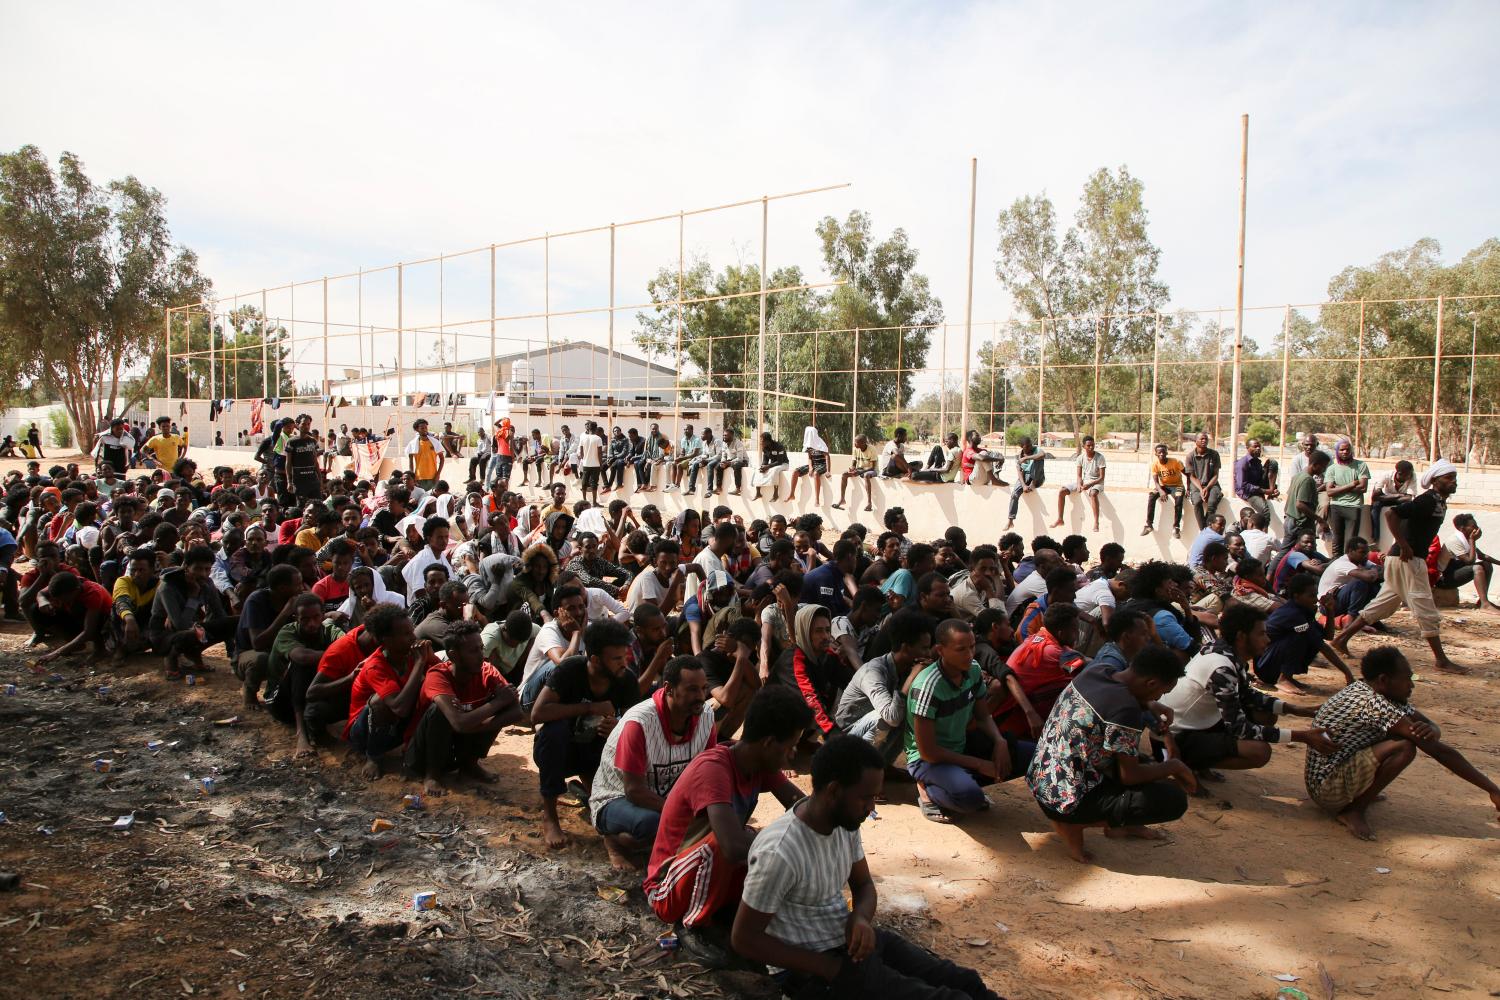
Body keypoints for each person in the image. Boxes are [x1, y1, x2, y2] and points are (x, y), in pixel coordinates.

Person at [732, 735, 1001, 1000]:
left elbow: (863, 885)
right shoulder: (779, 852)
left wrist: (860, 918)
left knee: (966, 982)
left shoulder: (843, 820)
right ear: (834, 791)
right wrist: (829, 969)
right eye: (865, 798)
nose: (871, 808)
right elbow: (744, 938)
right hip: (810, 970)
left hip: (848, 944)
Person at [643, 686, 810, 964]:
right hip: (667, 888)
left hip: (707, 876)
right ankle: (693, 925)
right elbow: (731, 847)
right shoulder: (714, 768)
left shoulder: (756, 763)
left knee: (762, 839)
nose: (792, 754)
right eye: (790, 746)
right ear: (768, 743)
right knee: (736, 841)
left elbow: (801, 808)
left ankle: (722, 913)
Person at [1305, 645, 1500, 841]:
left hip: (1332, 775)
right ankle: (1354, 810)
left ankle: (1359, 796)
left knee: (1403, 736)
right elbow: (1438, 751)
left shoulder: (1375, 691)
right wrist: (1492, 789)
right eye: (1408, 679)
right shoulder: (1373, 704)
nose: (1412, 685)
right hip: (1326, 789)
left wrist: (1430, 730)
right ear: (1384, 680)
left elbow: (1429, 726)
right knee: (1404, 747)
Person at [1027, 644, 1194, 863]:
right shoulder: (1126, 710)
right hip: (1064, 801)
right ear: (1150, 683)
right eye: (1161, 691)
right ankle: (1074, 823)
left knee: (1142, 762)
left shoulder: (1099, 671)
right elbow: (1129, 776)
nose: (1160, 696)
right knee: (1172, 799)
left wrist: (1151, 703)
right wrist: (1175, 766)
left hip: (1041, 777)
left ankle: (1120, 825)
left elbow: (1119, 700)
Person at [1162, 604, 1336, 779]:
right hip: (1175, 736)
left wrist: (1297, 710)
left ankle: (1200, 758)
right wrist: (1303, 736)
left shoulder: (1224, 651)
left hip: (1196, 724)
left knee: (1266, 714)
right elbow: (1240, 729)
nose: (1267, 639)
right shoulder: (1222, 668)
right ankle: (1187, 763)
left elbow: (1248, 695)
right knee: (1259, 751)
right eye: (1261, 633)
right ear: (1241, 637)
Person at [1329, 461, 1465, 673]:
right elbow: (1391, 514)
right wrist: (1403, 544)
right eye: (1448, 478)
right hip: (1407, 560)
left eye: (1453, 478)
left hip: (1402, 560)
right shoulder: (1427, 501)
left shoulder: (1438, 503)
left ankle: (1341, 639)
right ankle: (1441, 660)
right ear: (1435, 481)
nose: (1453, 482)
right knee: (1425, 607)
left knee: (1382, 605)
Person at [589, 655, 715, 869]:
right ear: (669, 689)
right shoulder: (639, 723)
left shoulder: (706, 715)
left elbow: (708, 770)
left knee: (721, 811)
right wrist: (682, 812)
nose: (701, 696)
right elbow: (633, 791)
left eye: (704, 688)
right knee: (651, 824)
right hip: (616, 798)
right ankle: (615, 841)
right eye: (693, 689)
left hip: (664, 796)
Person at [906, 618, 1031, 823]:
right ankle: (927, 788)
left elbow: (982, 716)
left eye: (972, 647)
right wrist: (981, 764)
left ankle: (961, 780)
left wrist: (999, 741)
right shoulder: (928, 687)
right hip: (927, 759)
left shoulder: (972, 670)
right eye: (961, 649)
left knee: (1031, 756)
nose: (970, 654)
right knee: (970, 800)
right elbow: (928, 751)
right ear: (940, 650)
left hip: (960, 745)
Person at [530, 620, 638, 849]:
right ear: (596, 660)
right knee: (554, 731)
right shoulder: (570, 670)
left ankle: (596, 797)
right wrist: (589, 708)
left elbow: (635, 722)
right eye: (616, 659)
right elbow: (537, 713)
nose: (624, 663)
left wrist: (618, 726)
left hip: (594, 750)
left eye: (624, 656)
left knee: (620, 738)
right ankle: (550, 815)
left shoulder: (625, 679)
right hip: (559, 751)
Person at [402, 620, 519, 795]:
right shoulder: (438, 675)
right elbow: (458, 723)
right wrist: (497, 702)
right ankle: (432, 775)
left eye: (481, 648)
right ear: (453, 655)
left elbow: (516, 712)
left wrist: (477, 723)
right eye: (473, 651)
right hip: (422, 755)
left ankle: (469, 766)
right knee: (439, 711)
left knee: (494, 706)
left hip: (457, 746)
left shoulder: (487, 671)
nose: (481, 655)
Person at [345, 604, 437, 779]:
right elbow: (398, 708)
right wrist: (420, 664)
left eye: (412, 631)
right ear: (386, 640)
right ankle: (373, 756)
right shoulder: (375, 666)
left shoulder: (409, 655)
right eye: (406, 634)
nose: (413, 637)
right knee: (380, 701)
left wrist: (430, 659)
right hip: (364, 731)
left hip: (394, 725)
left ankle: (414, 749)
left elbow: (443, 677)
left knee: (432, 690)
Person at [835, 610, 932, 764]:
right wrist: (912, 677)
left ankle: (882, 766)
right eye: (924, 648)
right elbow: (891, 717)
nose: (928, 654)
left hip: (872, 732)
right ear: (905, 648)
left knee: (910, 712)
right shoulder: (873, 671)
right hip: (848, 735)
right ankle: (859, 769)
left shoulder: (907, 667)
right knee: (885, 719)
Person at [148, 544, 237, 679]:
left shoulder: (207, 583)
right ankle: (171, 659)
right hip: (164, 637)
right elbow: (180, 625)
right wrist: (193, 596)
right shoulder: (168, 586)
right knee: (191, 632)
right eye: (198, 569)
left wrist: (232, 651)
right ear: (186, 567)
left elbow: (219, 614)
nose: (203, 574)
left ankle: (194, 655)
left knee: (234, 622)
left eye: (207, 569)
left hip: (191, 628)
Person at [1258, 574, 1352, 693]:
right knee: (1301, 634)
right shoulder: (1293, 614)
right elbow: (1322, 646)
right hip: (1265, 664)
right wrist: (1347, 672)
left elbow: (1328, 636)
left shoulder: (1304, 610)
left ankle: (1288, 677)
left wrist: (1330, 610)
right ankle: (1283, 679)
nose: (1316, 600)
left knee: (1311, 635)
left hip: (1271, 660)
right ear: (1297, 596)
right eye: (1311, 596)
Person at [1433, 512, 1498, 612]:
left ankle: (1483, 601)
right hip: (1444, 580)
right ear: (1462, 528)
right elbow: (1470, 561)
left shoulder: (1465, 539)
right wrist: (1473, 540)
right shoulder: (1455, 540)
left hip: (1454, 573)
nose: (1476, 528)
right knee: (1477, 568)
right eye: (1473, 526)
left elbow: (1482, 556)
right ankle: (1485, 605)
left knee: (1486, 564)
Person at [1317, 535, 1381, 625]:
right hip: (1328, 605)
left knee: (1375, 585)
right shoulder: (1342, 563)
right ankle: (1351, 620)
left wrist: (1373, 571)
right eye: (1362, 552)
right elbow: (1369, 577)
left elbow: (1380, 570)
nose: (1366, 556)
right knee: (1360, 583)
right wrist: (1373, 571)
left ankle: (1369, 617)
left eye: (1367, 552)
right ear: (1350, 551)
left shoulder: (1361, 560)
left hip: (1340, 599)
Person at [1053, 434, 1107, 532]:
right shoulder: (1080, 458)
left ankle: (1096, 522)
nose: (1091, 447)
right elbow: (1079, 475)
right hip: (1085, 481)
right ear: (1084, 447)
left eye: (1092, 445)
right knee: (1062, 491)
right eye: (1088, 446)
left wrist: (1089, 485)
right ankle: (1060, 519)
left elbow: (1101, 477)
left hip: (1097, 482)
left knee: (1093, 494)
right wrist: (1079, 484)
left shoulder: (1100, 457)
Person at [1142, 442, 1187, 538]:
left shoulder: (1176, 462)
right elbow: (1156, 482)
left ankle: (1176, 527)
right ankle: (1149, 525)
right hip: (1164, 486)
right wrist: (1161, 491)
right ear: (1156, 454)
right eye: (1159, 453)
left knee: (1179, 498)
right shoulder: (1155, 464)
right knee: (1152, 495)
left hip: (1177, 485)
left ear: (1167, 453)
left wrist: (1189, 489)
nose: (1161, 454)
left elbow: (1188, 475)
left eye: (1163, 452)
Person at [1368, 460, 1415, 547]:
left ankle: (1403, 537)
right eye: (1408, 474)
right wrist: (1398, 495)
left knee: (1408, 506)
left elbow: (1409, 498)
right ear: (1399, 473)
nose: (1410, 476)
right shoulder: (1386, 475)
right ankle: (1375, 538)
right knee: (1375, 506)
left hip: (1398, 500)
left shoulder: (1412, 476)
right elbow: (1375, 497)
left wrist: (1398, 497)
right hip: (1386, 498)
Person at [1232, 437, 1281, 520]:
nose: (1258, 448)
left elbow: (1261, 478)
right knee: (1265, 511)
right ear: (1248, 448)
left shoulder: (1257, 462)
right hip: (1248, 493)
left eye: (1259, 446)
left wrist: (1272, 489)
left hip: (1257, 487)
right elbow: (1243, 486)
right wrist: (1263, 491)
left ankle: (1272, 491)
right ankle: (1262, 532)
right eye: (1255, 446)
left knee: (1272, 462)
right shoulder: (1242, 463)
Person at [1004, 436, 1044, 530]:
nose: (1030, 447)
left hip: (1037, 477)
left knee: (1038, 460)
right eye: (1027, 446)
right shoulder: (1018, 456)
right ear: (1022, 447)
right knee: (1014, 494)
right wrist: (1023, 486)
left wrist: (1027, 458)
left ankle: (1033, 485)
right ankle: (1010, 520)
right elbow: (1019, 472)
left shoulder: (1036, 449)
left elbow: (1042, 454)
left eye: (1030, 445)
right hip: (1025, 478)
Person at [1184, 432, 1223, 529]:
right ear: (1195, 441)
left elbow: (1215, 475)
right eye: (1201, 439)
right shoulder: (1190, 456)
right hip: (1197, 485)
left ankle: (1207, 527)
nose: (1204, 441)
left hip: (1212, 484)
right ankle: (1203, 529)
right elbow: (1192, 476)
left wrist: (1208, 488)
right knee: (1197, 502)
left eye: (1205, 439)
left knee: (1212, 503)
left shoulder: (1214, 454)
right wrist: (1201, 489)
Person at [832, 434, 879, 512]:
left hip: (871, 470)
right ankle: (842, 499)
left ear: (863, 443)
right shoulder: (855, 449)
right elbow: (854, 464)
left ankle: (869, 503)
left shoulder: (872, 449)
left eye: (856, 442)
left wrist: (861, 472)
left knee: (866, 475)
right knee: (844, 474)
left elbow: (873, 467)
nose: (854, 444)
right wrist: (852, 469)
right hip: (859, 470)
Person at [282, 414, 323, 503]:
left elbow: (315, 462)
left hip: (313, 480)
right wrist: (289, 481)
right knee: (302, 506)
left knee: (317, 505)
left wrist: (320, 480)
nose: (306, 426)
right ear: (297, 425)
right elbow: (288, 463)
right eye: (304, 424)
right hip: (299, 480)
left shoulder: (313, 441)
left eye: (308, 424)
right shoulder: (292, 442)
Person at [786, 425, 831, 503]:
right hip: (813, 464)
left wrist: (828, 471)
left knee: (816, 473)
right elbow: (810, 458)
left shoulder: (821, 444)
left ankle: (817, 499)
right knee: (795, 472)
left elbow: (827, 457)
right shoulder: (808, 445)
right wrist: (810, 468)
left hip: (822, 464)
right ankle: (791, 494)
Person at [406, 418, 444, 489]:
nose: (425, 429)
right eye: (422, 428)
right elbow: (411, 463)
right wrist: (412, 477)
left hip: (433, 477)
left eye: (426, 427)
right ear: (417, 429)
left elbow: (442, 458)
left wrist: (438, 474)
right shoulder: (412, 444)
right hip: (418, 478)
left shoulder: (435, 442)